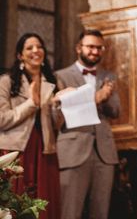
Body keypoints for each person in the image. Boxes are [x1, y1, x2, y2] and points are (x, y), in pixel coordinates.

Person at [55, 29, 120, 219]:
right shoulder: (61, 76)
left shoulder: (108, 76)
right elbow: (62, 114)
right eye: (90, 46)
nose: (95, 51)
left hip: (104, 153)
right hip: (74, 150)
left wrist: (107, 97)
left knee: (100, 212)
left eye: (99, 47)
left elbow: (116, 112)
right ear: (78, 48)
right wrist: (97, 97)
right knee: (70, 212)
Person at [0, 33, 62, 219]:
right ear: (20, 55)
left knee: (43, 202)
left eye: (40, 46)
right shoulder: (6, 81)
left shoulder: (52, 83)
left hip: (45, 150)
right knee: (15, 202)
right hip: (15, 150)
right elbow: (2, 119)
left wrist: (58, 107)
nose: (36, 51)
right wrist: (30, 104)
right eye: (29, 48)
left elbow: (57, 125)